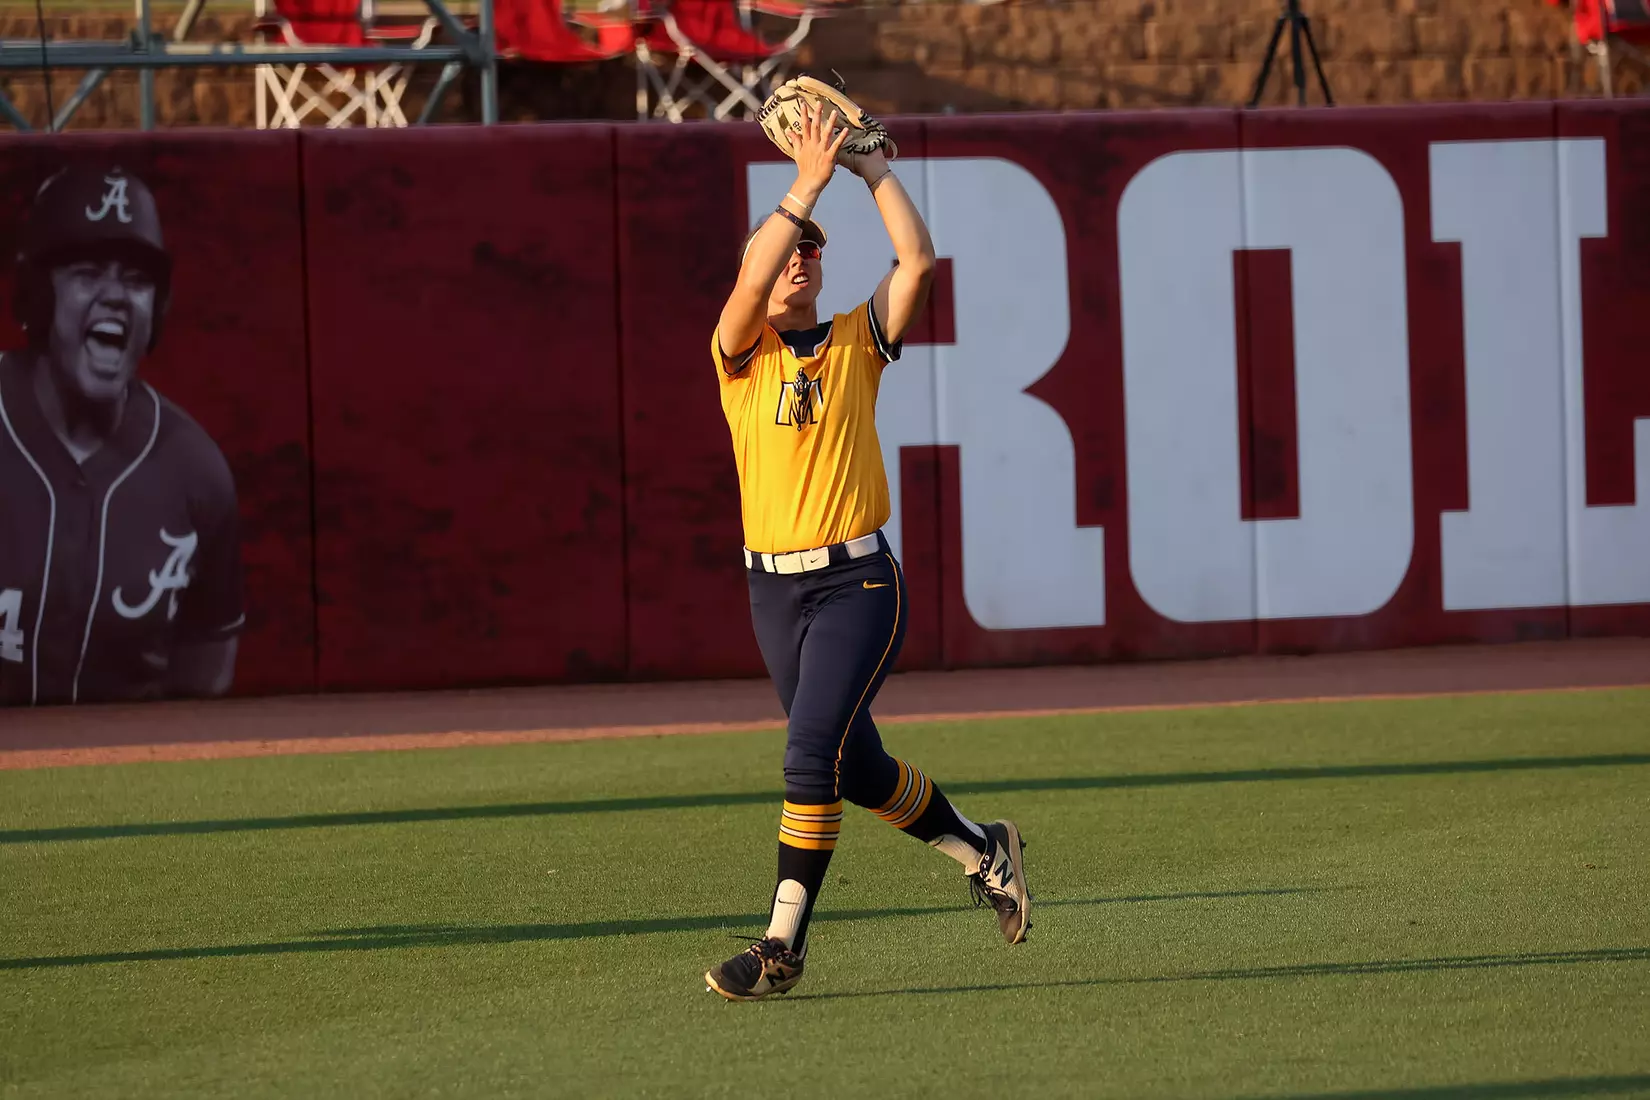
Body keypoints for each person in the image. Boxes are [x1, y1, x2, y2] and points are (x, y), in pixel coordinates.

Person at [702, 104, 1034, 1002]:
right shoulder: (739, 355)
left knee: (809, 756)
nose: (800, 254)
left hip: (857, 582)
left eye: (813, 245)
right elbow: (745, 295)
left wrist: (872, 170)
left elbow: (918, 262)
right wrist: (802, 183)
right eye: (785, 247)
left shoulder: (855, 339)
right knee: (855, 768)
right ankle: (982, 847)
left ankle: (781, 945)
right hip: (773, 594)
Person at [0, 164, 244, 708]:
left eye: (135, 281)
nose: (116, 297)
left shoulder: (195, 473)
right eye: (87, 272)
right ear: (39, 298)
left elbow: (204, 680)